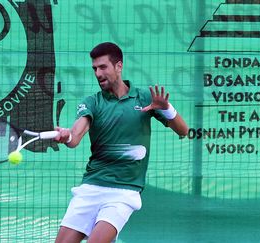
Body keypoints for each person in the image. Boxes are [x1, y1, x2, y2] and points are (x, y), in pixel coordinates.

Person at [54, 42, 188, 243]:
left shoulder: (145, 98)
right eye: (94, 69)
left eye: (103, 67)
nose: (98, 73)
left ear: (119, 66)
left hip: (123, 192)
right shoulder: (92, 102)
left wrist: (166, 108)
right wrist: (68, 137)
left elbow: (183, 131)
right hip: (91, 187)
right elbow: (75, 137)